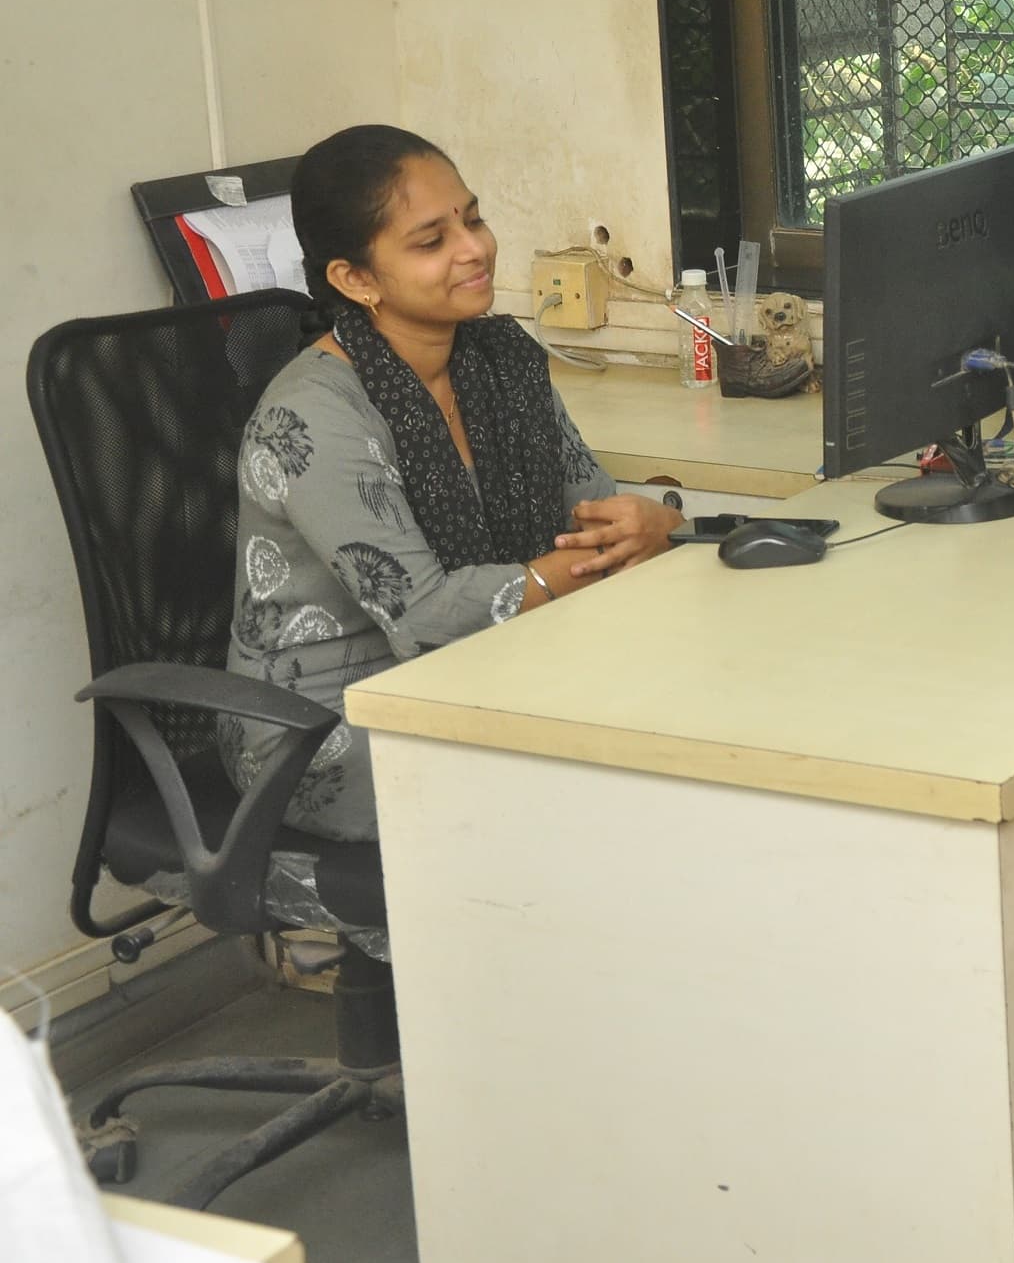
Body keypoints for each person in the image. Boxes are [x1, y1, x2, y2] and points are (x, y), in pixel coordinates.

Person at [225, 125, 682, 840]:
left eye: (472, 218)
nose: (475, 248)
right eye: (431, 240)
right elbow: (427, 620)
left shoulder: (500, 357)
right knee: (611, 792)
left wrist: (652, 525)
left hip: (481, 680)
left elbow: (593, 510)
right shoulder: (312, 415)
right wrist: (590, 563)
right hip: (326, 729)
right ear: (355, 279)